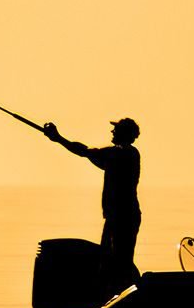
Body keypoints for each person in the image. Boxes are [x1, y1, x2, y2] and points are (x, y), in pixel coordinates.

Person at [43, 118, 141, 295]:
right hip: (116, 216)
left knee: (120, 259)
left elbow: (85, 151)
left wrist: (58, 138)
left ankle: (124, 293)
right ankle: (114, 293)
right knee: (109, 258)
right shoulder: (119, 155)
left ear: (124, 134)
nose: (112, 132)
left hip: (124, 216)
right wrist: (59, 139)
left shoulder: (123, 154)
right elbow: (88, 153)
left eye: (116, 130)